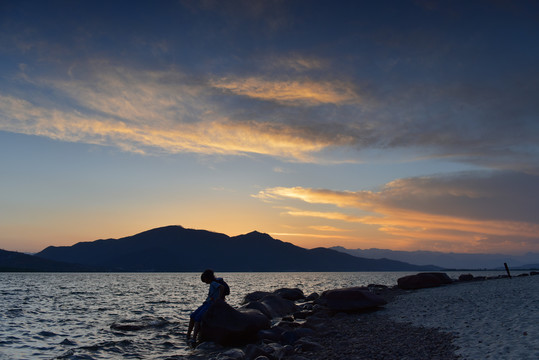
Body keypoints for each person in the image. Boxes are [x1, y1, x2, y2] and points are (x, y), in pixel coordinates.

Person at [186, 269, 227, 344]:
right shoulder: (213, 283)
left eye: (205, 280)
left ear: (207, 278)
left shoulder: (213, 283)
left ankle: (193, 338)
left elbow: (222, 287)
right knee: (193, 316)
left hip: (211, 304)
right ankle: (188, 336)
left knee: (198, 318)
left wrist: (218, 299)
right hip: (207, 303)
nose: (205, 282)